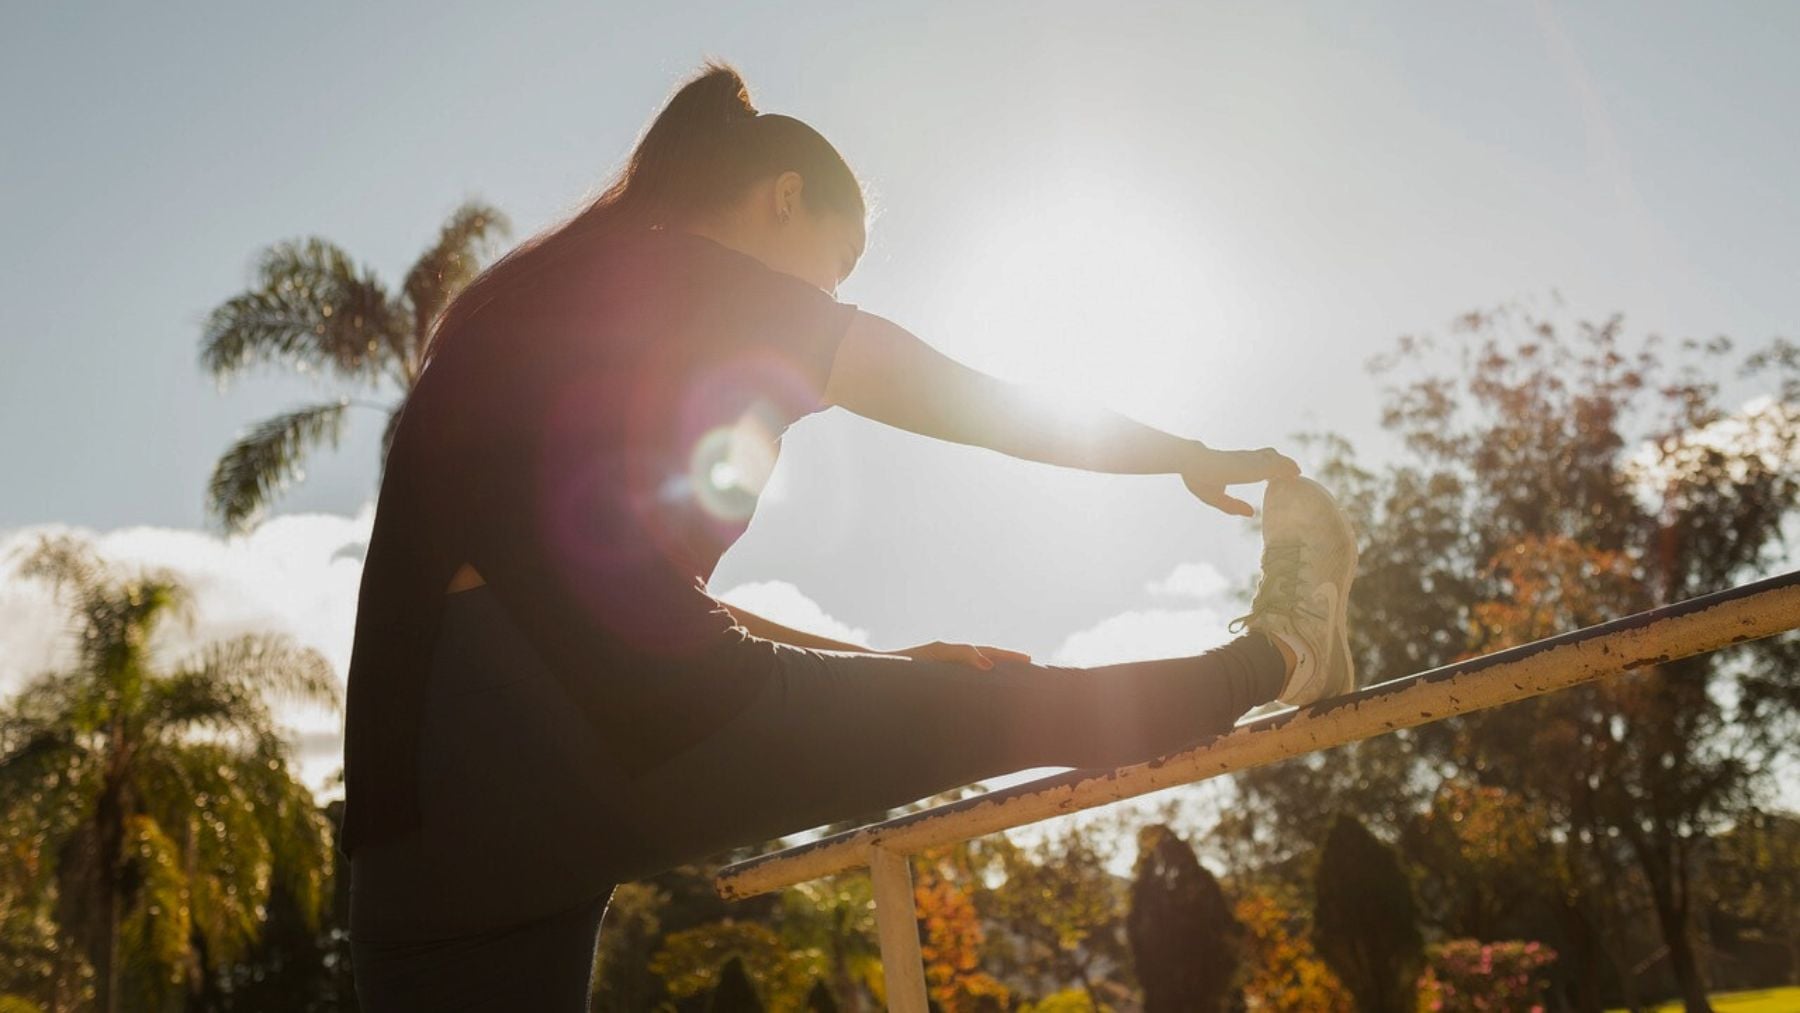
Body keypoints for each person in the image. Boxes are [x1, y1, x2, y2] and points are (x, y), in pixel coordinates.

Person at [342, 60, 1363, 1011]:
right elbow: (982, 404)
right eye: (837, 262)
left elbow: (595, 600)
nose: (828, 296)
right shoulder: (728, 291)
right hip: (611, 734)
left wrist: (873, 663)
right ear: (784, 197)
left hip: (416, 842)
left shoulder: (533, 309)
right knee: (1009, 711)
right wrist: (1178, 450)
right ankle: (1284, 648)